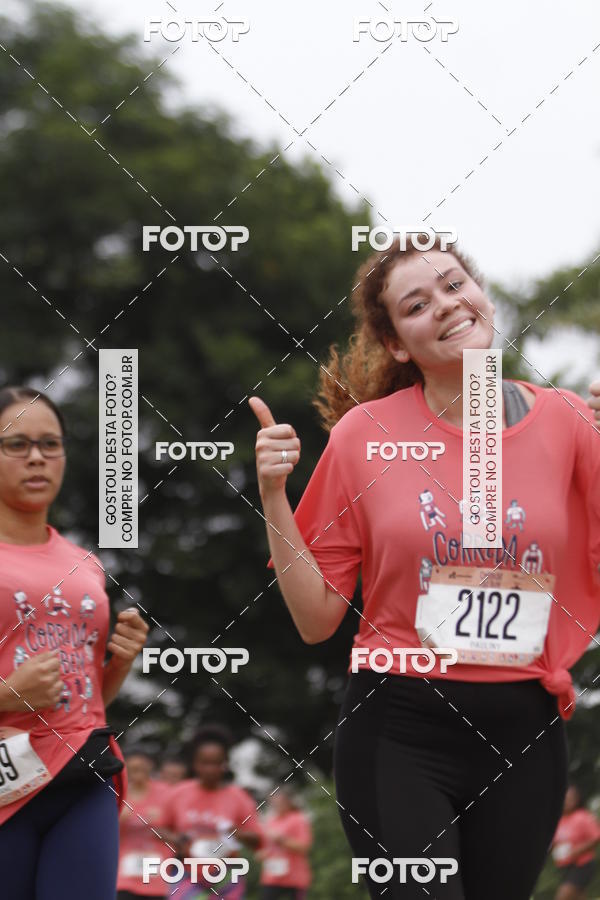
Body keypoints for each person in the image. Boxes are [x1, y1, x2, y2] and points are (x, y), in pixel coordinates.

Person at [249, 236, 600, 899]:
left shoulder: (567, 422)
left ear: (481, 294)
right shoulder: (364, 435)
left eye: (454, 284)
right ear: (398, 346)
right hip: (400, 727)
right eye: (417, 304)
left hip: (526, 729)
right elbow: (316, 619)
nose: (445, 304)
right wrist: (274, 495)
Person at [0, 385, 149, 899]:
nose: (37, 457)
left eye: (50, 443)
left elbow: (86, 700)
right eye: (16, 444)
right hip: (6, 785)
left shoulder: (84, 564)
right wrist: (7, 696)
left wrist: (120, 664)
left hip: (84, 773)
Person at [161, 723, 263, 898]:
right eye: (205, 763)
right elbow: (160, 828)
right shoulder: (178, 793)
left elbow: (258, 840)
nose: (210, 769)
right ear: (195, 764)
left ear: (225, 764)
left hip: (226, 876)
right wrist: (177, 840)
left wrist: (237, 833)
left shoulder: (238, 797)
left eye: (216, 763)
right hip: (185, 874)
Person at [117, 748, 172, 899]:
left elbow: (179, 830)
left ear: (150, 767)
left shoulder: (166, 793)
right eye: (133, 769)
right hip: (124, 878)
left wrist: (162, 827)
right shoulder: (117, 793)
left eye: (142, 768)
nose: (138, 773)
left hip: (157, 878)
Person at [258, 787, 312, 900]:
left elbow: (304, 847)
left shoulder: (298, 819)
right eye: (273, 803)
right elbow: (265, 848)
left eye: (279, 802)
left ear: (288, 802)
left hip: (295, 879)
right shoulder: (271, 821)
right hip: (272, 877)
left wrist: (281, 840)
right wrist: (262, 854)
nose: (276, 805)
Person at [552, 784, 600, 899]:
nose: (568, 801)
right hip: (565, 866)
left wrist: (578, 850)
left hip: (582, 865)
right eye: (565, 798)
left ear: (577, 800)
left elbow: (596, 837)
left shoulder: (582, 817)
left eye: (571, 798)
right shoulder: (559, 819)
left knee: (562, 897)